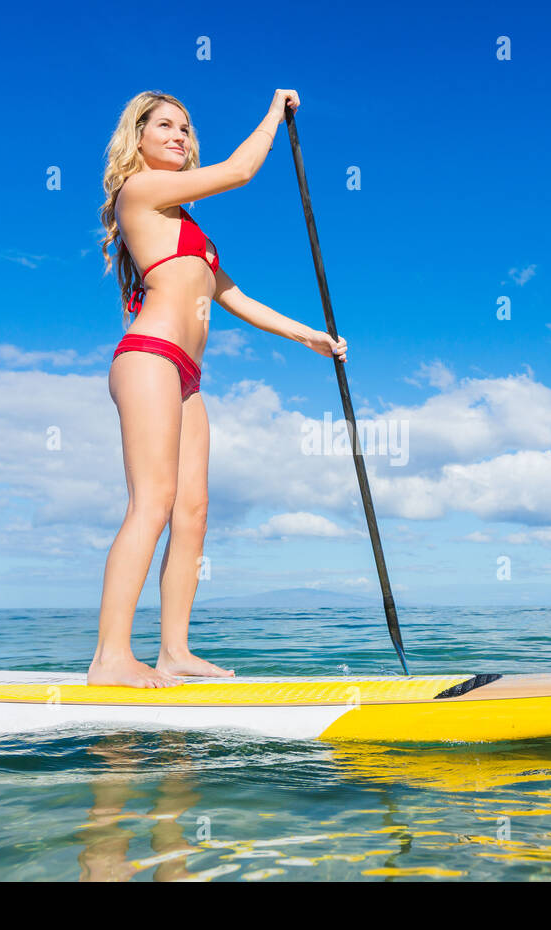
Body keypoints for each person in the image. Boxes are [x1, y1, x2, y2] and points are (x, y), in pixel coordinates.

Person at [93, 89, 347, 688]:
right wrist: (273, 114)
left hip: (187, 374)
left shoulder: (191, 231)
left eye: (186, 127)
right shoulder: (140, 191)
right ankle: (110, 659)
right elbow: (239, 171)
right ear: (138, 138)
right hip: (149, 358)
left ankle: (174, 652)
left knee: (194, 514)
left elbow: (234, 298)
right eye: (166, 127)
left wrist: (307, 335)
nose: (180, 136)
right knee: (152, 503)